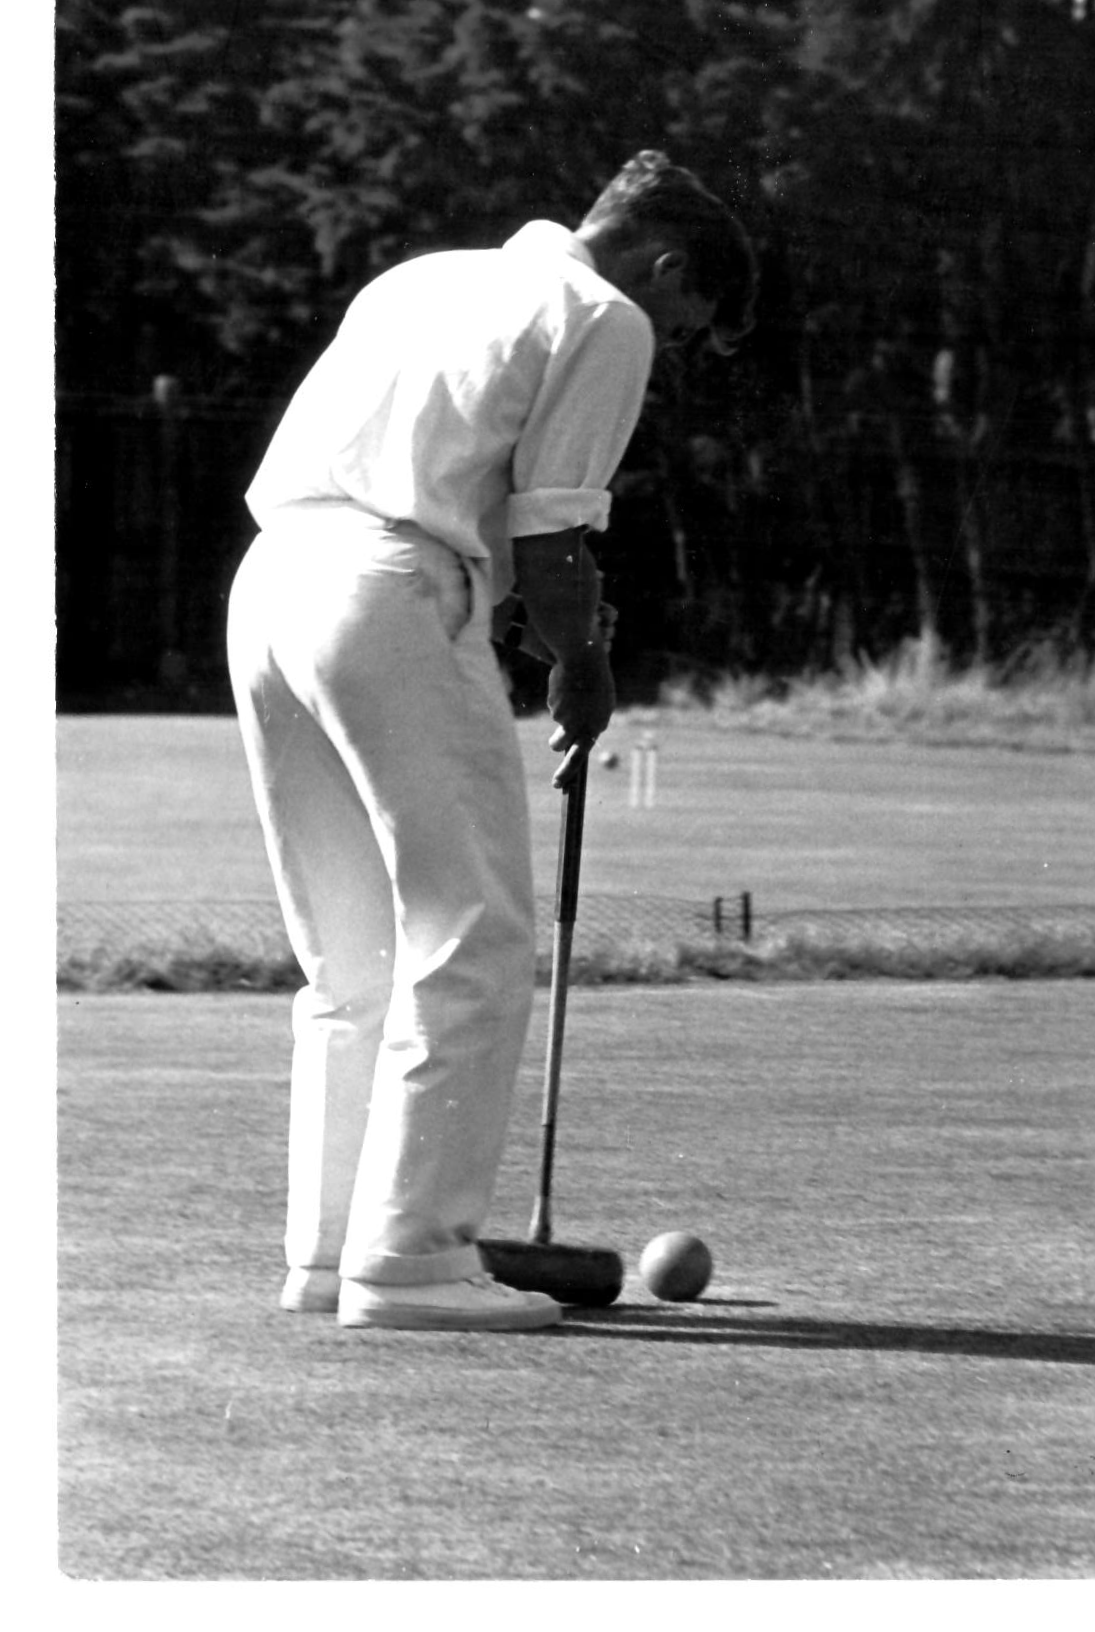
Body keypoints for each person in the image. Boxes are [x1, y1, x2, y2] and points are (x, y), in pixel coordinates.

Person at [226, 151, 756, 1331]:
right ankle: (412, 1262)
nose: (667, 346)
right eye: (686, 321)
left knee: (351, 960)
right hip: (386, 591)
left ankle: (330, 1255)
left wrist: (534, 620)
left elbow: (463, 487)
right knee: (472, 934)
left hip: (269, 589)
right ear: (666, 266)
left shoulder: (425, 277)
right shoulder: (606, 315)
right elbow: (553, 537)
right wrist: (581, 662)